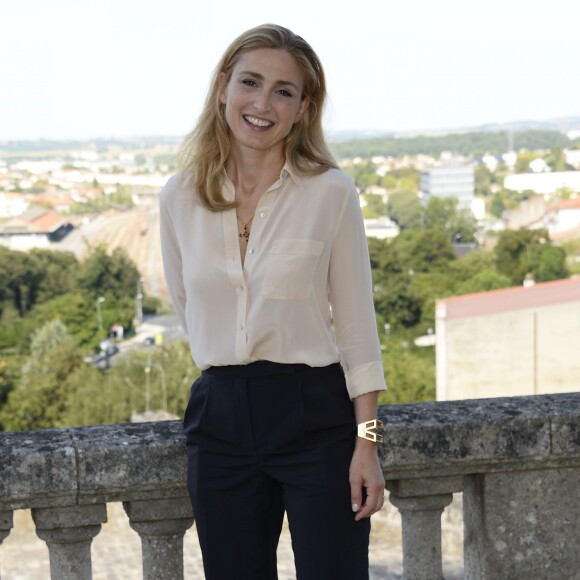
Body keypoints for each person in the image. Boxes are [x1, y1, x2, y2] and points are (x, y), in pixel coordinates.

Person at [160, 23, 387, 580]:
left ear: (303, 108)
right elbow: (188, 307)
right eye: (250, 82)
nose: (263, 103)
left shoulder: (331, 191)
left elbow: (357, 329)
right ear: (222, 88)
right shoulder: (179, 197)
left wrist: (368, 445)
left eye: (284, 91)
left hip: (315, 416)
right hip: (219, 420)